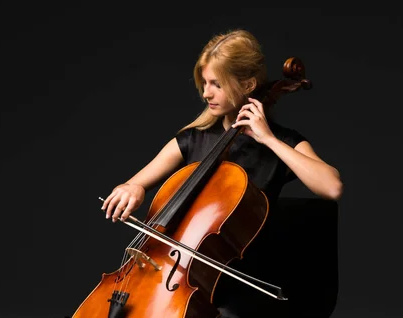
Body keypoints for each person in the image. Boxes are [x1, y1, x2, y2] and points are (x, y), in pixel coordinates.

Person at [100, 29, 343, 317]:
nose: (206, 93)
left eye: (216, 84)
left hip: (240, 289)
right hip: (180, 279)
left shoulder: (283, 143)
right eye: (204, 83)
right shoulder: (194, 138)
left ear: (248, 84)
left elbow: (332, 187)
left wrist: (269, 140)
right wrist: (132, 187)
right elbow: (137, 182)